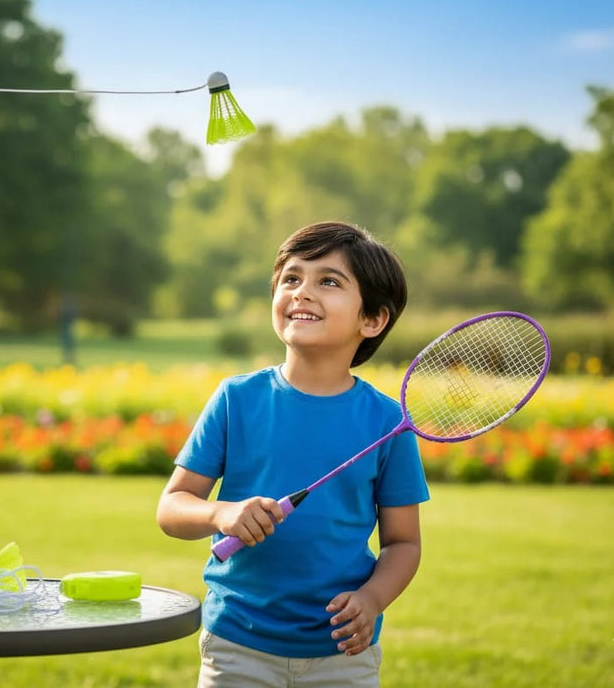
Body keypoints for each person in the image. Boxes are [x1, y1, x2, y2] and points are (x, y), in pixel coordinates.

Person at [157, 221, 429, 688]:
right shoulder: (236, 399)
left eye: (329, 281)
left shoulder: (388, 423)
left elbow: (403, 543)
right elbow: (172, 507)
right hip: (237, 647)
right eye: (291, 278)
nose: (302, 292)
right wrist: (222, 513)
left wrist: (372, 599)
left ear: (373, 319)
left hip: (342, 652)